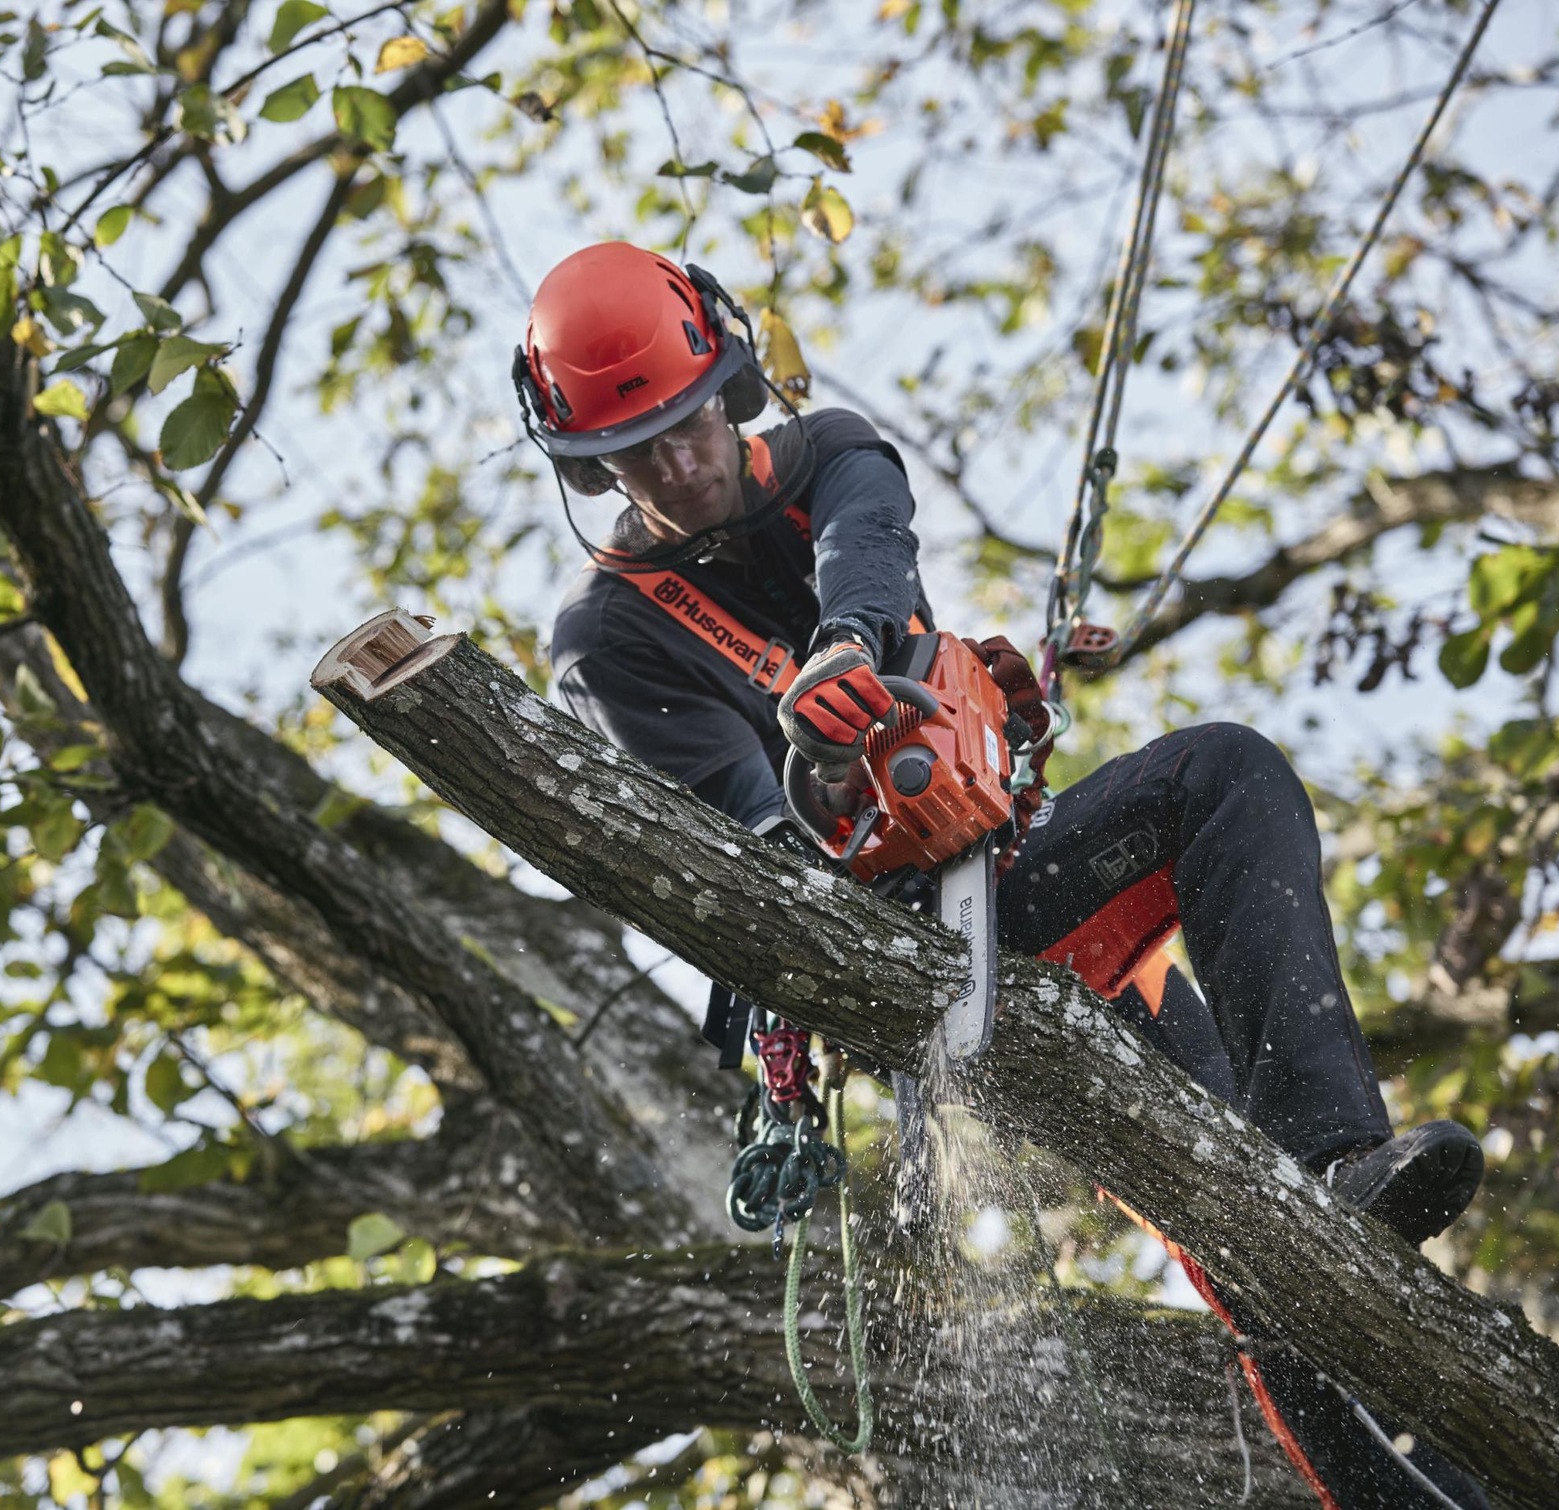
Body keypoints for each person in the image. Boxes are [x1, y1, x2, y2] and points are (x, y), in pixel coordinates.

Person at [522, 242, 1489, 1507]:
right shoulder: (611, 637)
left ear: (727, 381)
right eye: (634, 451)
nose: (673, 464)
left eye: (682, 424)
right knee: (1227, 1210)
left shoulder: (827, 457)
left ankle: (1337, 1186)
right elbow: (737, 856)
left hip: (1026, 877)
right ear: (592, 462)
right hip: (890, 954)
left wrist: (852, 653)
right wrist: (820, 786)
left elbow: (866, 543)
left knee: (1229, 798)